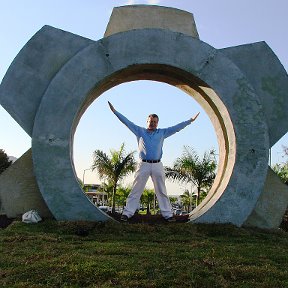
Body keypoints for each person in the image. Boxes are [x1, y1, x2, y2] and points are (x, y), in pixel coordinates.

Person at [108, 101, 200, 222]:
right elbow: (127, 122)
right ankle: (127, 213)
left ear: (157, 123)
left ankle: (168, 215)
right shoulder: (139, 131)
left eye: (155, 122)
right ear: (147, 122)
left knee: (161, 190)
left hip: (157, 165)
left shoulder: (162, 132)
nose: (152, 123)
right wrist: (115, 112)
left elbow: (177, 128)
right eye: (150, 121)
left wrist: (190, 120)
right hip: (143, 165)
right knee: (136, 189)